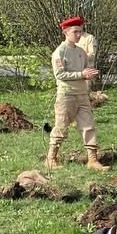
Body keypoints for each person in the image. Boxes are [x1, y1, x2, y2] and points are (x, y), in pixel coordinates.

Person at [46, 16, 108, 171]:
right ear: (66, 32)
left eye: (80, 32)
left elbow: (85, 71)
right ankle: (51, 158)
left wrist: (91, 74)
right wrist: (81, 74)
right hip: (66, 95)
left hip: (82, 95)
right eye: (75, 32)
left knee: (88, 125)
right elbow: (60, 74)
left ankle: (92, 160)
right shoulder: (60, 52)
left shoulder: (81, 51)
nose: (79, 35)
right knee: (61, 126)